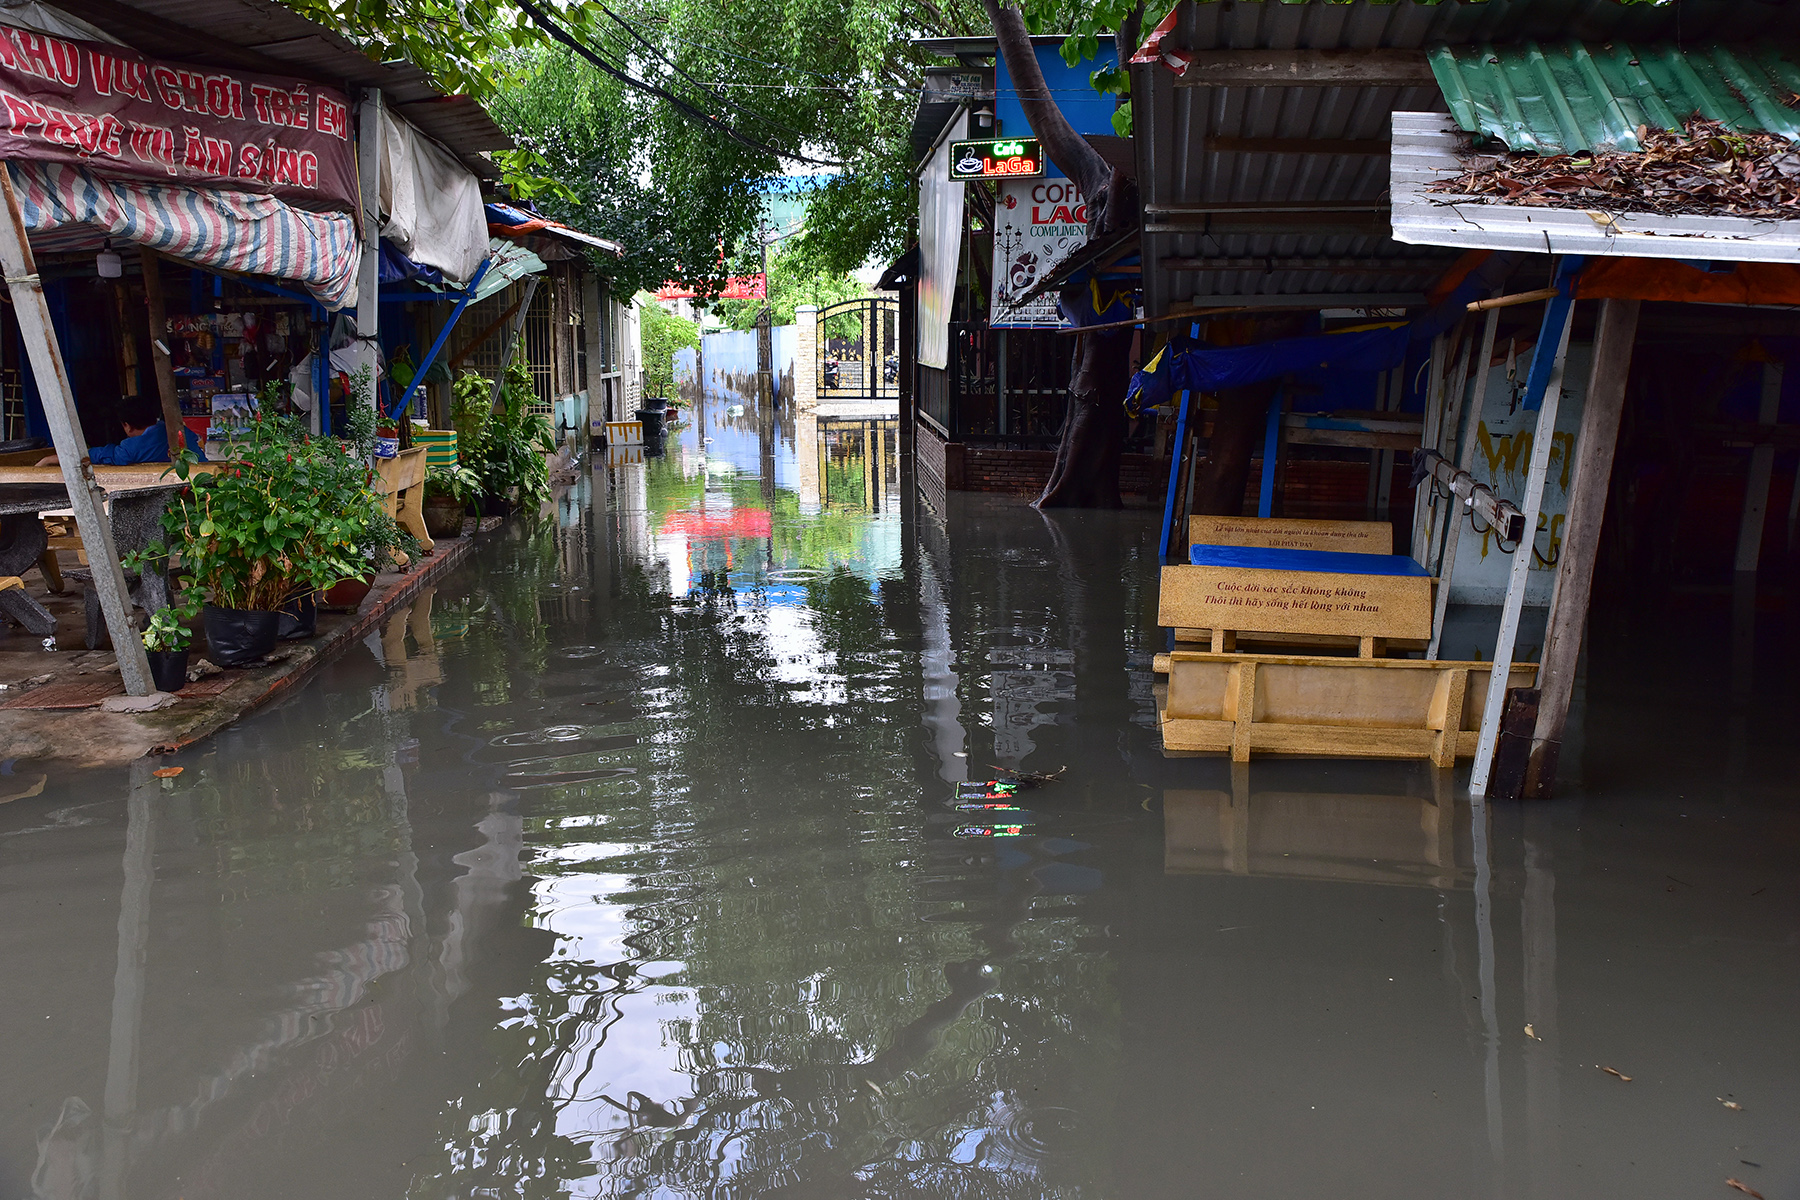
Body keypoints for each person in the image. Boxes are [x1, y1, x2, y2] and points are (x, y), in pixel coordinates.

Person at [36, 395, 205, 466]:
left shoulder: (131, 449)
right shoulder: (180, 430)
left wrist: (51, 459)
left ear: (127, 425)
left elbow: (100, 455)